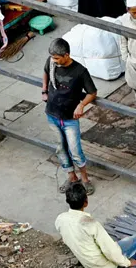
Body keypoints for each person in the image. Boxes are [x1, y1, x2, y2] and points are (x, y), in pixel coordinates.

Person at [56, 181, 136, 268]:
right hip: (104, 267)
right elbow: (110, 252)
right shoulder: (91, 224)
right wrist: (127, 263)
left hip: (89, 264)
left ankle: (135, 265)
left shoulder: (60, 219)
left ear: (67, 201)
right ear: (86, 202)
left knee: (127, 241)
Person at [42, 39, 98, 194]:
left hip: (70, 120)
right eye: (53, 58)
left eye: (57, 58)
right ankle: (71, 176)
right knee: (60, 148)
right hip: (52, 114)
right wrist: (44, 90)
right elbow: (46, 72)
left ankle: (85, 179)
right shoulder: (51, 63)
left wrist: (81, 105)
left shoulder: (80, 71)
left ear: (66, 55)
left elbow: (92, 93)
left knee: (75, 150)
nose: (54, 61)